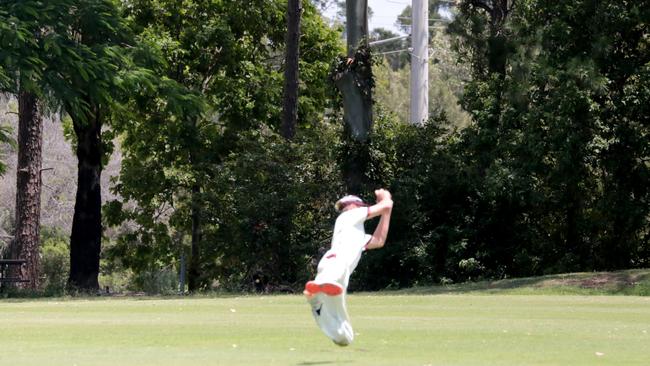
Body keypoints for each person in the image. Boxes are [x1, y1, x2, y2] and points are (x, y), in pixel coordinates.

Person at [304, 189, 393, 346]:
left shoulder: (358, 234)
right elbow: (385, 204)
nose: (344, 208)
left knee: (344, 336)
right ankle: (320, 286)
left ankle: (317, 301)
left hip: (341, 275)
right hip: (334, 262)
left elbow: (379, 240)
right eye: (343, 206)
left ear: (357, 206)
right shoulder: (348, 217)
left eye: (346, 205)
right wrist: (385, 198)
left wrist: (387, 209)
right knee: (334, 273)